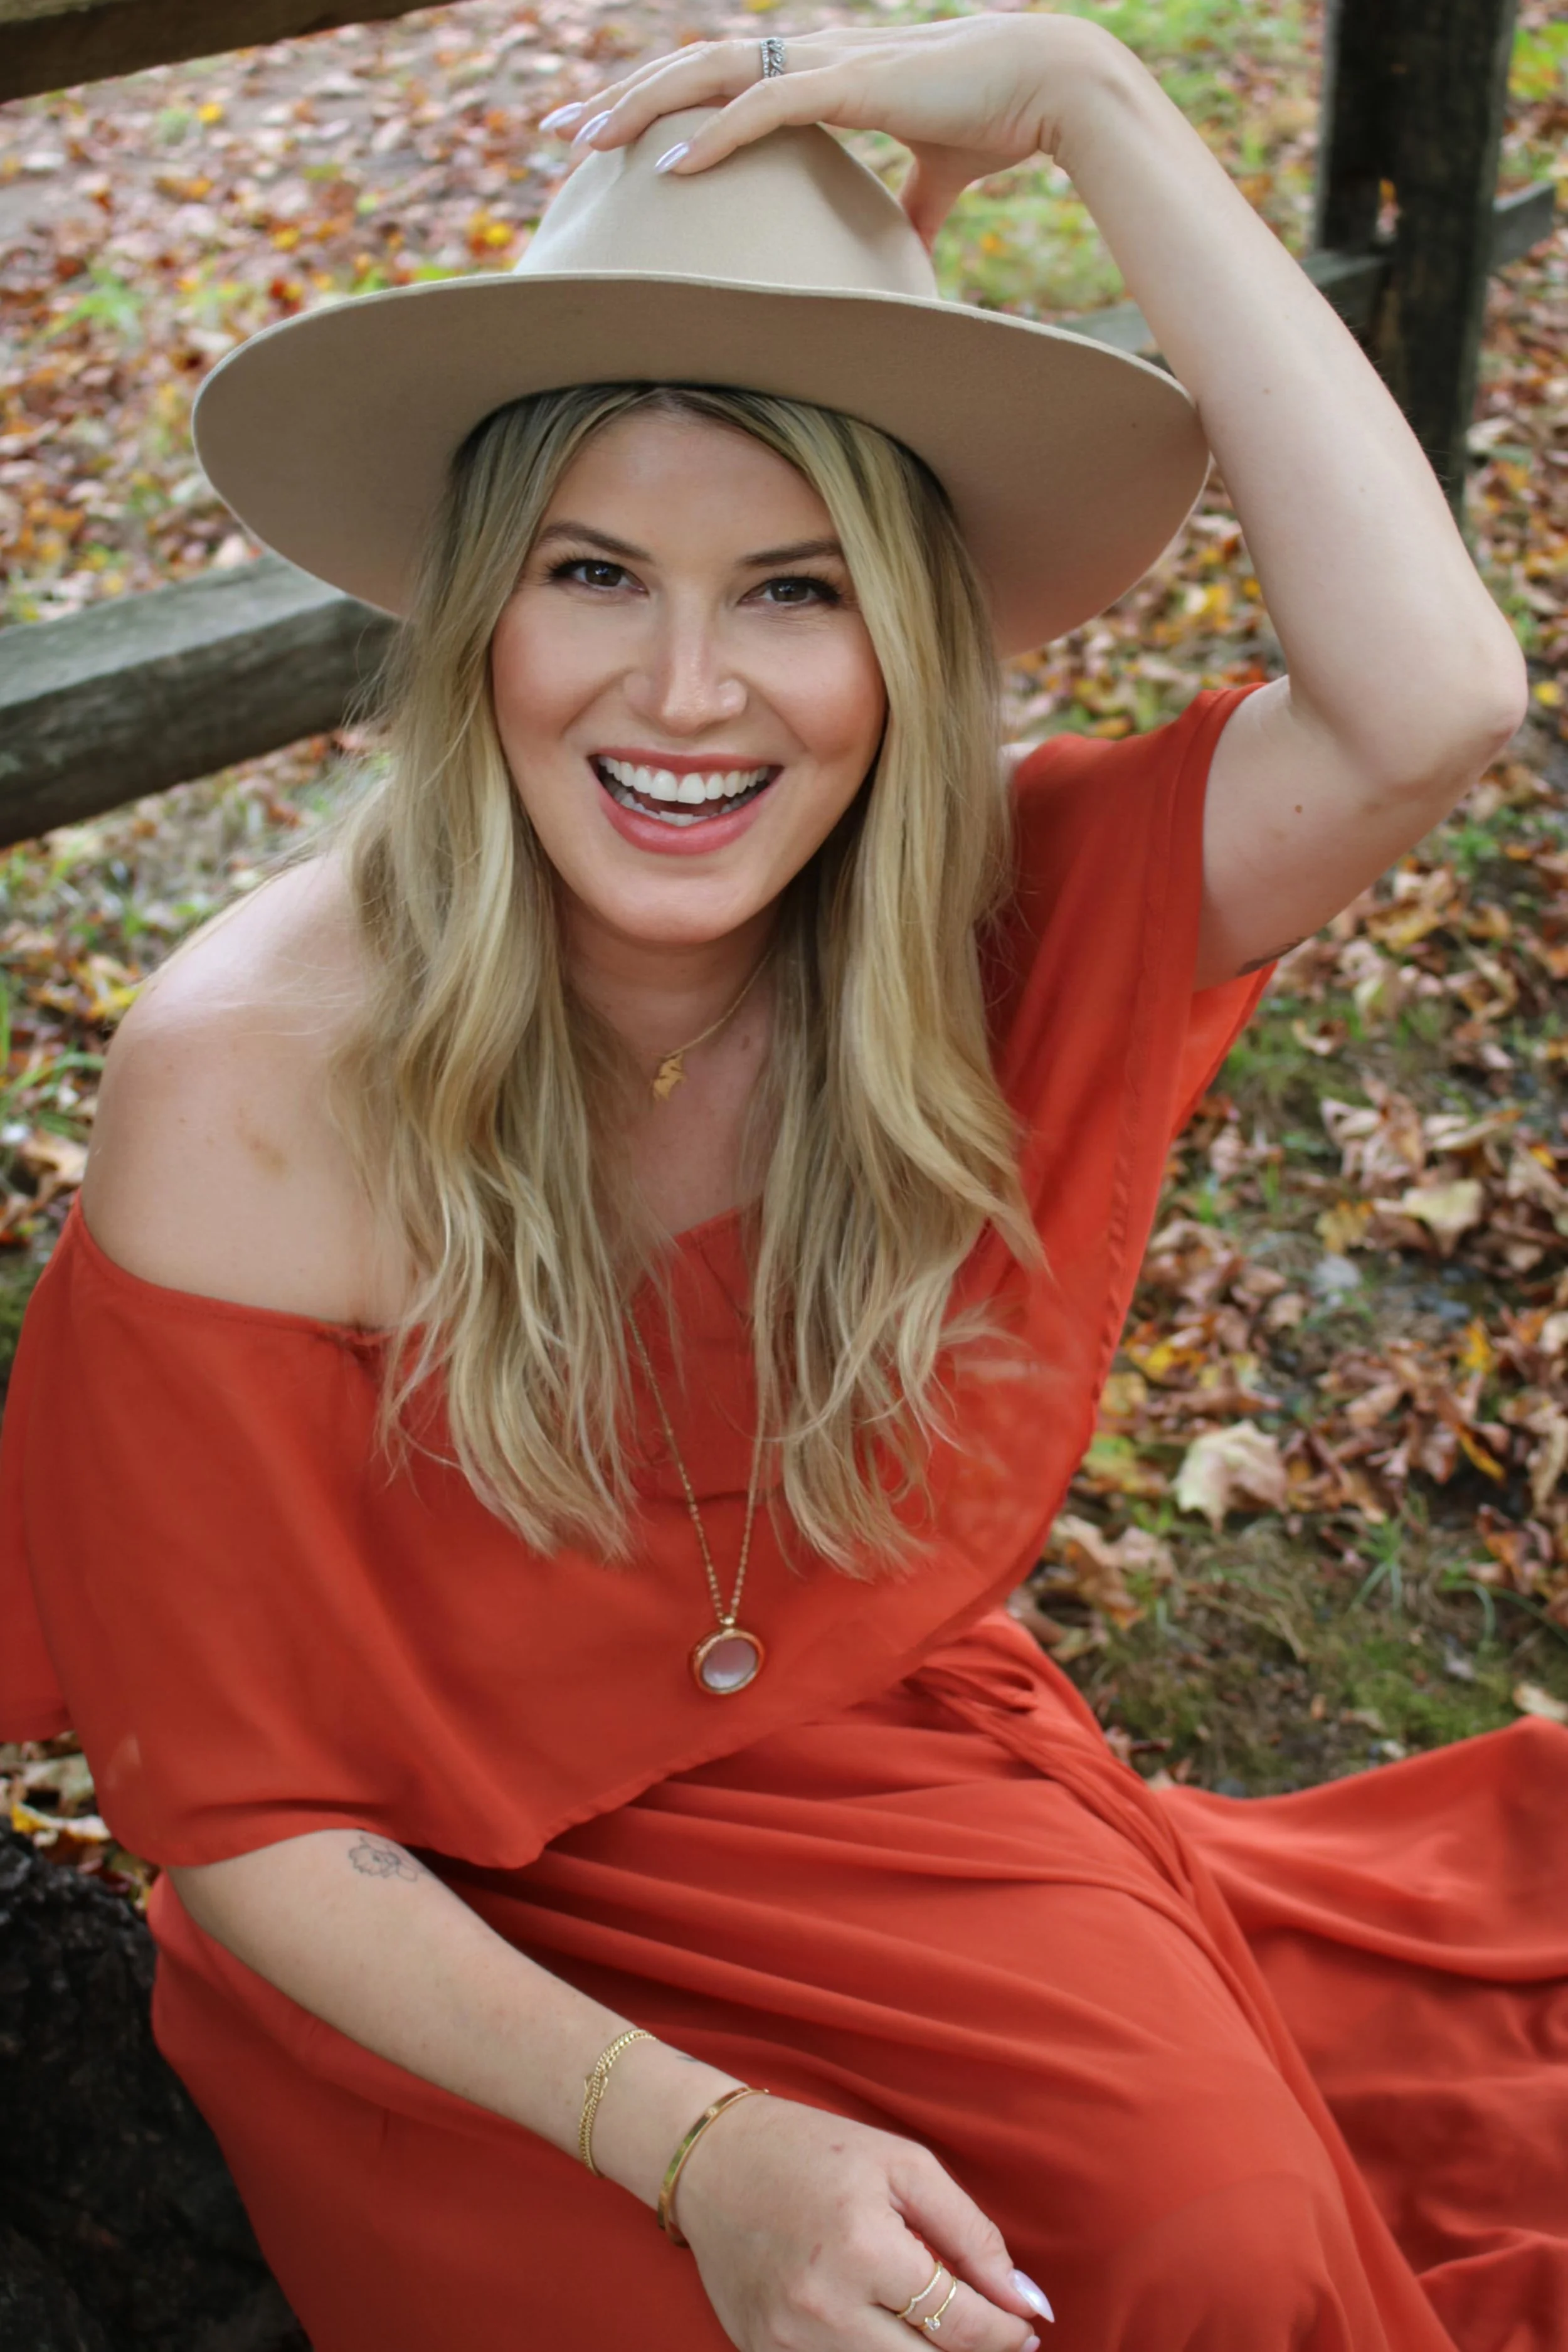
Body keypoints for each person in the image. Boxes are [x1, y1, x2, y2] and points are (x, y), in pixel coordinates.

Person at [2, 16, 1563, 2351]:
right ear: (474, 615)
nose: (688, 691)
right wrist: (711, 2149)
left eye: (799, 589)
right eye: (595, 570)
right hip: (419, 1934)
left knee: (1225, 2256)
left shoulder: (985, 925)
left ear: (911, 641)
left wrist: (1086, 99)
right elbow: (245, 1822)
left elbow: (1430, 695)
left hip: (856, 1776)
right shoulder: (254, 1077)